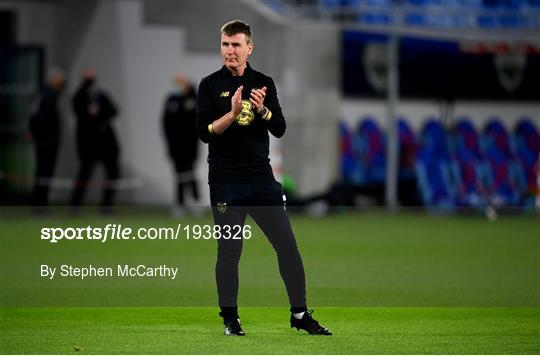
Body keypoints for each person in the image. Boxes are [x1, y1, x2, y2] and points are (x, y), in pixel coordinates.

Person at [196, 20, 331, 336]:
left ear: (249, 48)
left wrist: (262, 111)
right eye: (225, 44)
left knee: (287, 246)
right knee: (230, 251)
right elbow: (204, 133)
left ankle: (299, 315)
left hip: (260, 181)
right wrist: (230, 115)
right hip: (226, 182)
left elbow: (280, 127)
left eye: (236, 45)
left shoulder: (263, 83)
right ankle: (230, 319)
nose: (230, 50)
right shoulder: (209, 85)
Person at [70, 67, 120, 212]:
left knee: (113, 173)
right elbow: (82, 115)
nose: (90, 80)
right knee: (84, 173)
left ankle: (106, 205)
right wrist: (93, 114)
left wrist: (99, 112)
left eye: (92, 76)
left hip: (106, 143)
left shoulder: (100, 94)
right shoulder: (79, 96)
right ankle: (75, 205)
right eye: (87, 77)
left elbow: (114, 110)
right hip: (88, 144)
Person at [162, 74, 200, 216]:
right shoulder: (171, 100)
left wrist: (189, 87)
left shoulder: (192, 99)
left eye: (181, 83)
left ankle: (196, 202)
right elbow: (165, 123)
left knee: (190, 173)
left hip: (190, 146)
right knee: (178, 175)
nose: (178, 86)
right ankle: (180, 204)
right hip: (175, 147)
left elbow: (196, 116)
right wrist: (169, 144)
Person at [28, 68, 65, 213]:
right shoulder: (47, 95)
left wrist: (32, 130)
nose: (61, 84)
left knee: (43, 174)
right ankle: (39, 206)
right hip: (47, 141)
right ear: (54, 80)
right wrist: (34, 131)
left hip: (44, 139)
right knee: (44, 174)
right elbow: (38, 117)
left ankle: (39, 205)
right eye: (60, 81)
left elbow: (34, 115)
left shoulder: (42, 94)